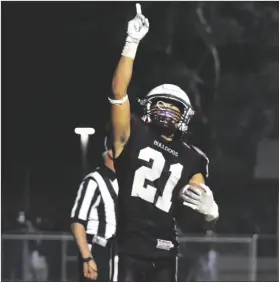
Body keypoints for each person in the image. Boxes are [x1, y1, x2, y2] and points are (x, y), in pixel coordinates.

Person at [108, 4, 219, 282]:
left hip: (166, 251)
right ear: (148, 107)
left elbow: (199, 206)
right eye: (161, 103)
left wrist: (212, 214)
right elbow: (118, 91)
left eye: (174, 107)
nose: (167, 110)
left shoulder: (193, 157)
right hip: (128, 247)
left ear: (185, 116)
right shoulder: (134, 134)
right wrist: (131, 42)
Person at [70, 137, 118, 282]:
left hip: (116, 253)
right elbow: (77, 221)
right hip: (97, 251)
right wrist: (87, 257)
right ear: (111, 152)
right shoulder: (93, 181)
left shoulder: (123, 181)